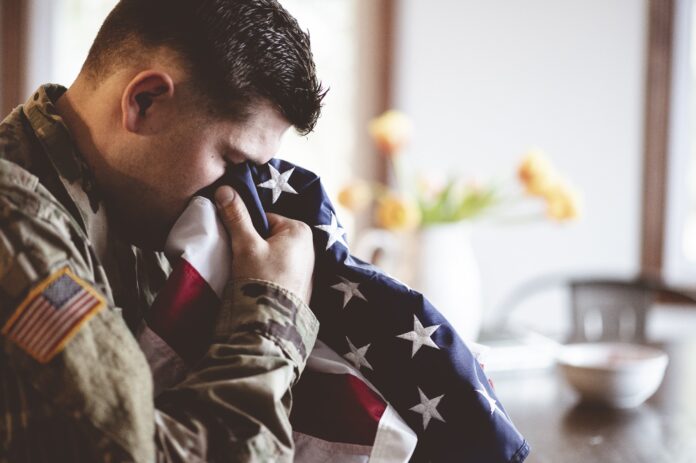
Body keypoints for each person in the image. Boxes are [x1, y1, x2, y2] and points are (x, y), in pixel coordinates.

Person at [0, 0, 326, 461]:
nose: (234, 195)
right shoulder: (12, 223)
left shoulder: (137, 218)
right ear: (145, 102)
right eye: (230, 162)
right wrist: (273, 314)